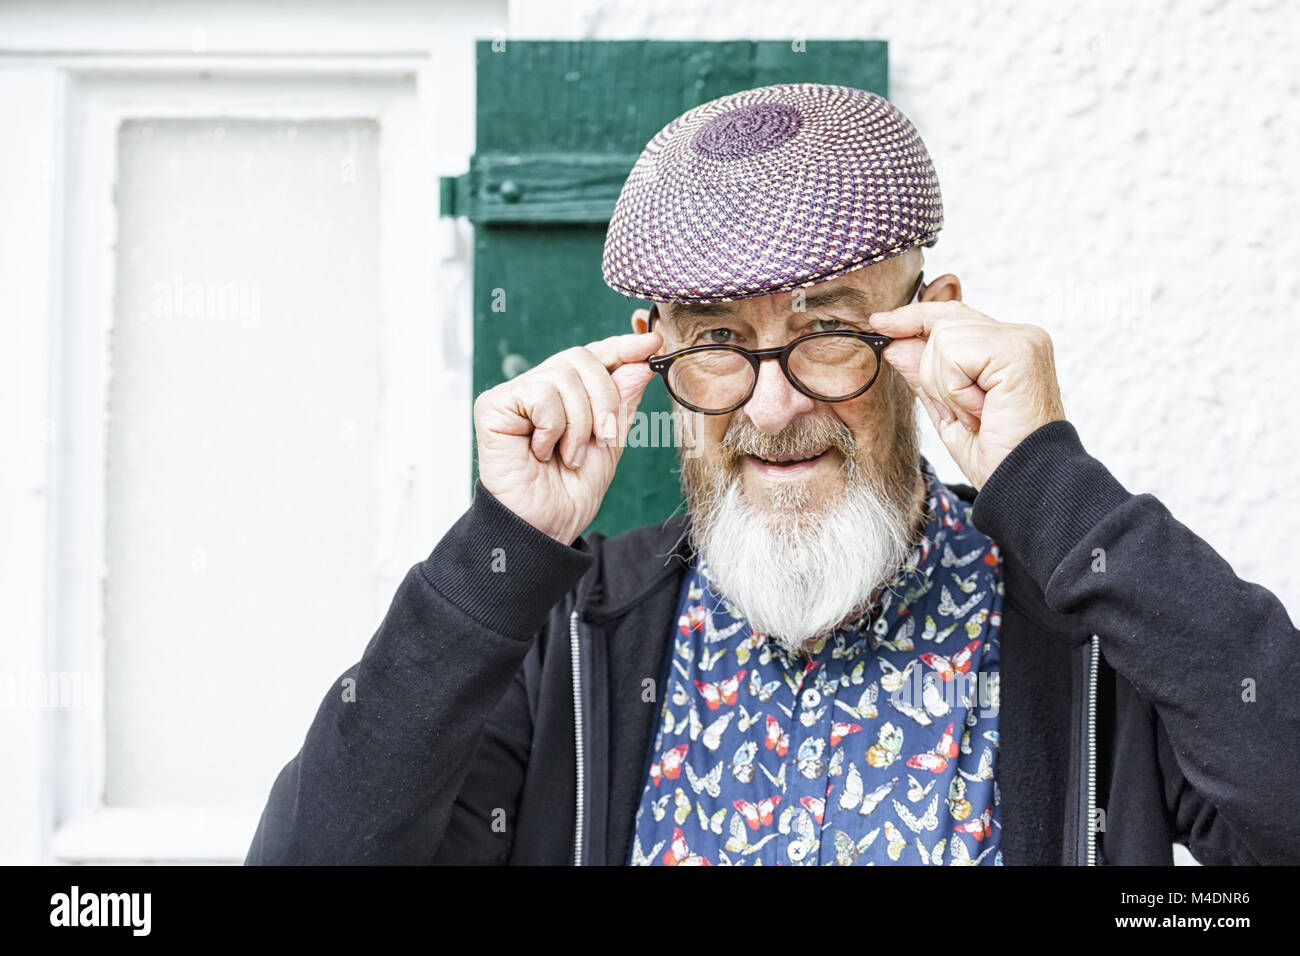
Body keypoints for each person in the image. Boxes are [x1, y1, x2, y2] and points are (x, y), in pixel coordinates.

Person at [245, 84, 1299, 866]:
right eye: (714, 340)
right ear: (650, 356)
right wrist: (500, 552)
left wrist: (1049, 479)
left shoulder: (1080, 625)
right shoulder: (566, 637)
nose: (772, 405)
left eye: (827, 327)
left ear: (928, 320)